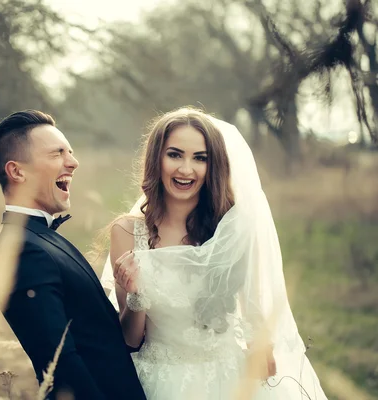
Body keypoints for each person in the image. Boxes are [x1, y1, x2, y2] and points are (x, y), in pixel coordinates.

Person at [101, 107, 328, 399]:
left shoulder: (233, 227)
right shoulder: (128, 232)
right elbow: (130, 339)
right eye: (174, 154)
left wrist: (261, 349)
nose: (186, 169)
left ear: (214, 165)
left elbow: (257, 317)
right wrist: (136, 294)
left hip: (228, 376)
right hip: (158, 380)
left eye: (200, 158)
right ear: (156, 159)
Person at [0, 110, 147, 400]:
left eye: (70, 152)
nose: (73, 162)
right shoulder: (22, 250)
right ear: (17, 171)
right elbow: (61, 365)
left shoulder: (41, 239)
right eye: (57, 153)